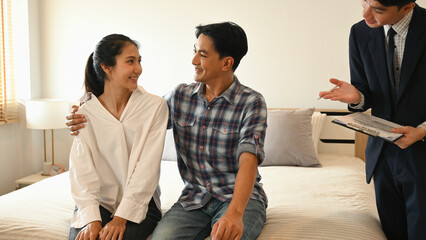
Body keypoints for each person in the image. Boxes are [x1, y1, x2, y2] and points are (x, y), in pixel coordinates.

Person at [67, 22, 268, 240]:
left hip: (238, 199)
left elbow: (248, 160)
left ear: (226, 63)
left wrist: (234, 214)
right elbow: (138, 111)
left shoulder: (252, 102)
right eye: (195, 51)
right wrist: (85, 107)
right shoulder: (180, 96)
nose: (193, 61)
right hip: (194, 200)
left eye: (202, 54)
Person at [318, 1, 426, 239]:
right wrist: (357, 97)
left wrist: (422, 130)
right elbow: (365, 90)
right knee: (392, 232)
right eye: (364, 2)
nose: (365, 14)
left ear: (407, 7)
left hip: (422, 152)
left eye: (377, 9)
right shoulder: (360, 31)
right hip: (382, 155)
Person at [68, 34, 168, 240]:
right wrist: (92, 220)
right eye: (130, 61)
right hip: (98, 202)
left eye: (139, 61)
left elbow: (147, 168)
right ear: (107, 67)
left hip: (141, 204)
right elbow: (82, 170)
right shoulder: (85, 113)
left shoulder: (154, 107)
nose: (138, 69)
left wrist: (121, 218)